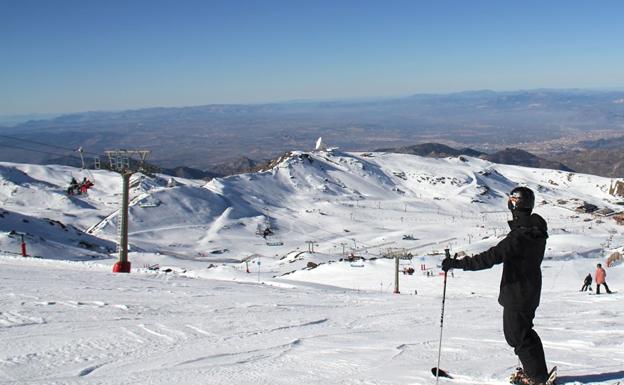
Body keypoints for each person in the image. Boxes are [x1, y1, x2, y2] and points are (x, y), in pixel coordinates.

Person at [442, 186, 550, 385]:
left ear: (514, 204)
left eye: (511, 201)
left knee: (517, 336)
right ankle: (537, 373)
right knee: (524, 332)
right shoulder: (536, 231)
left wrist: (456, 264)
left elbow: (488, 258)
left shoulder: (519, 236)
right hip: (530, 289)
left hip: (517, 292)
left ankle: (537, 377)